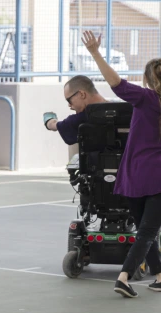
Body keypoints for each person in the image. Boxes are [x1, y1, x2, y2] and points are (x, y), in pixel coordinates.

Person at [81, 30, 161, 298]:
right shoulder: (150, 100)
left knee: (144, 230)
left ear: (149, 80)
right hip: (157, 177)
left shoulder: (145, 98)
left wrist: (94, 52)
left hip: (133, 175)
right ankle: (124, 277)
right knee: (148, 232)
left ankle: (160, 274)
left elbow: (115, 83)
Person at [43, 75, 107, 145]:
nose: (69, 105)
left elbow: (53, 125)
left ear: (82, 94)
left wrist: (48, 120)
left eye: (69, 100)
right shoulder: (117, 109)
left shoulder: (80, 119)